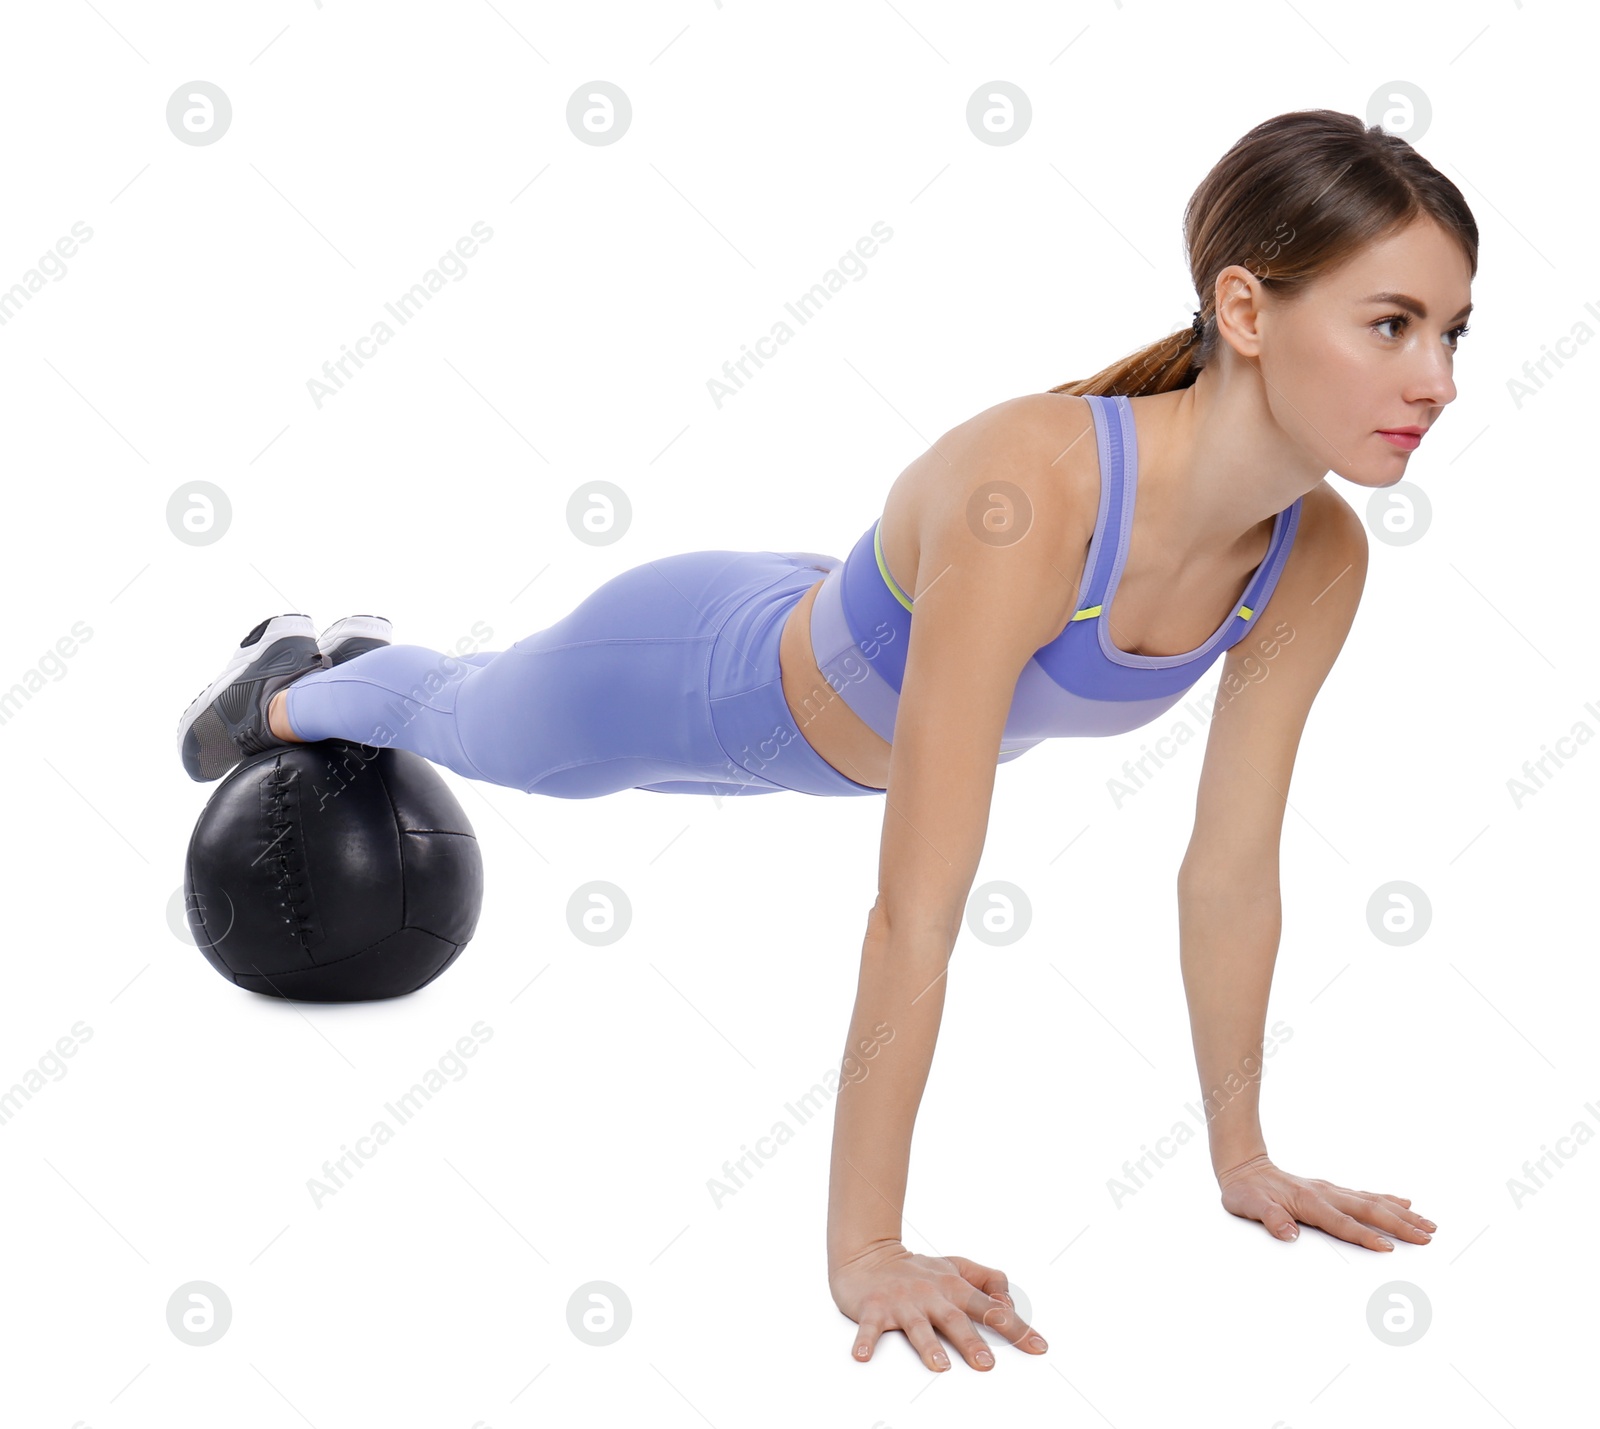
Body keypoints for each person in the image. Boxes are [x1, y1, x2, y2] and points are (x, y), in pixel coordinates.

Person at [175, 108, 1474, 1373]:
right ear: (1246, 311)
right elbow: (917, 904)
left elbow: (1231, 870)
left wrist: (1242, 1155)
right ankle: (295, 684)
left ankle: (336, 669)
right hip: (702, 672)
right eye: (1393, 324)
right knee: (487, 726)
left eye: (1455, 333)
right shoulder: (1040, 493)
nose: (1440, 381)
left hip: (840, 674)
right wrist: (867, 1245)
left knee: (510, 727)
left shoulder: (1317, 555)